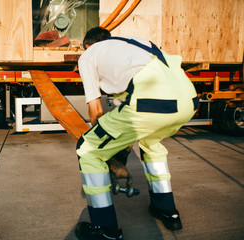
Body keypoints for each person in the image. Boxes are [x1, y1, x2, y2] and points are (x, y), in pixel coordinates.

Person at [75, 27, 198, 240]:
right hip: (189, 100)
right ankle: (166, 208)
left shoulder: (88, 55)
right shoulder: (135, 43)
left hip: (149, 102)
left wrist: (106, 150)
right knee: (151, 143)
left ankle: (105, 228)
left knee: (88, 149)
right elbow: (126, 111)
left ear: (88, 46)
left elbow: (96, 111)